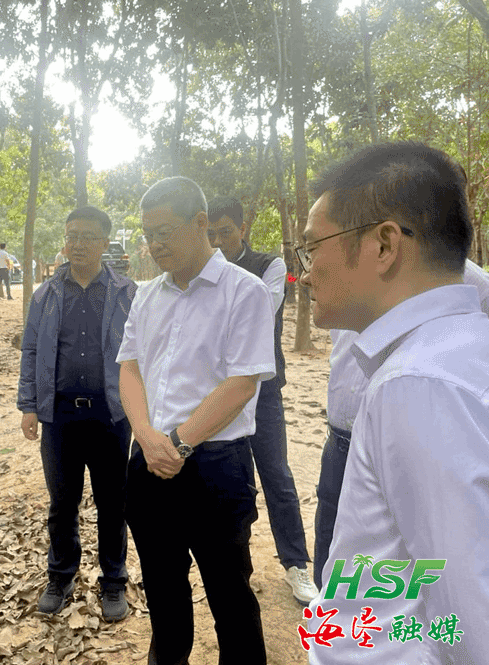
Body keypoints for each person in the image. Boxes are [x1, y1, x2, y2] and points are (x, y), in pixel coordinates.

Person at [299, 142, 489, 663]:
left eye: (312, 248)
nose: (306, 272)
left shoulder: (419, 384)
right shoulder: (456, 350)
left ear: (384, 245)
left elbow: (472, 620)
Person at [117, 177, 274, 664]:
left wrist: (179, 444)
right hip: (150, 461)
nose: (154, 244)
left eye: (164, 232)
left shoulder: (244, 291)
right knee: (163, 591)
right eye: (148, 234)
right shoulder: (147, 295)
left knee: (230, 593)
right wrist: (147, 437)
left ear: (201, 222)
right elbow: (129, 368)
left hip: (215, 466)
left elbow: (242, 382)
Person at [17, 206, 137, 622]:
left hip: (111, 415)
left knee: (113, 503)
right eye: (72, 236)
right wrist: (29, 405)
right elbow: (31, 349)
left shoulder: (127, 293)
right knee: (62, 503)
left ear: (105, 243)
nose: (78, 244)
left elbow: (142, 354)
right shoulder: (46, 294)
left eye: (87, 236)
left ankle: (113, 581)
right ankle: (60, 576)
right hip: (60, 416)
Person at [207, 196, 318, 605]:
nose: (218, 241)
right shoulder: (202, 272)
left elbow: (260, 311)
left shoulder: (269, 265)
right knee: (230, 480)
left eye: (225, 232)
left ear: (242, 229)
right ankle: (237, 567)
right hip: (218, 389)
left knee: (276, 476)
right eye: (211, 234)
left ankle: (296, 564)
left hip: (262, 389)